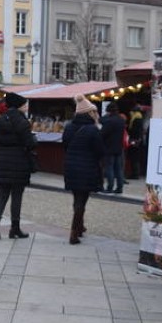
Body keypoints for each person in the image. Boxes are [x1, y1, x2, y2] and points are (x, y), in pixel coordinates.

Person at [0, 92, 35, 239]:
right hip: (19, 161)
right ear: (19, 105)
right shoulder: (23, 122)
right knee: (17, 196)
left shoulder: (0, 120)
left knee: (2, 194)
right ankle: (14, 228)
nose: (26, 106)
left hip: (1, 159)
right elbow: (29, 143)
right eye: (25, 104)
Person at [62, 94, 105, 245]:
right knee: (82, 200)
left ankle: (79, 226)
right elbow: (100, 151)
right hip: (87, 167)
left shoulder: (68, 127)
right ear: (89, 113)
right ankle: (74, 232)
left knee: (77, 198)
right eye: (94, 112)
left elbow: (65, 145)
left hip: (71, 166)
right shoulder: (93, 130)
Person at [100, 102, 126, 194]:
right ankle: (119, 188)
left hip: (109, 147)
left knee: (109, 168)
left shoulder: (109, 121)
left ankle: (109, 187)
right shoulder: (121, 120)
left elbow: (102, 133)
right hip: (119, 147)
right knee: (118, 169)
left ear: (108, 111)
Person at [126, 103, 145, 179]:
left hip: (134, 140)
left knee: (134, 157)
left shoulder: (136, 118)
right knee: (135, 157)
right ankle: (135, 173)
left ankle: (135, 174)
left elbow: (134, 130)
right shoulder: (139, 117)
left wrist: (129, 130)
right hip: (137, 140)